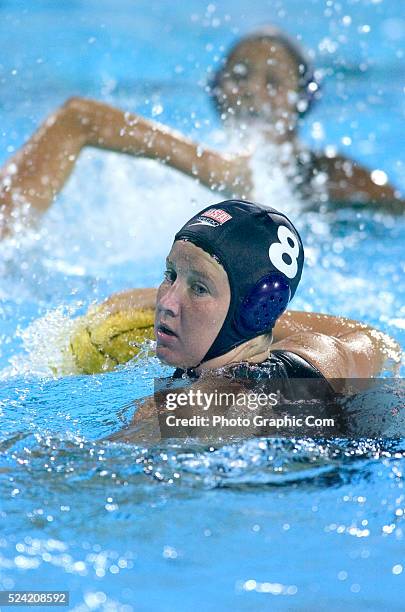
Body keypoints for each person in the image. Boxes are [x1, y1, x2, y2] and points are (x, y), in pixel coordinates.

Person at [0, 26, 403, 239]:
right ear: (217, 89)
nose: (250, 90)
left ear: (301, 102)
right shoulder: (179, 179)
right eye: (239, 75)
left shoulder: (328, 173)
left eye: (273, 82)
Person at [104, 199, 400, 443]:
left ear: (253, 307)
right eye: (170, 275)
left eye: (199, 288)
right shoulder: (319, 356)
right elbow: (374, 338)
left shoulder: (183, 410)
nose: (166, 303)